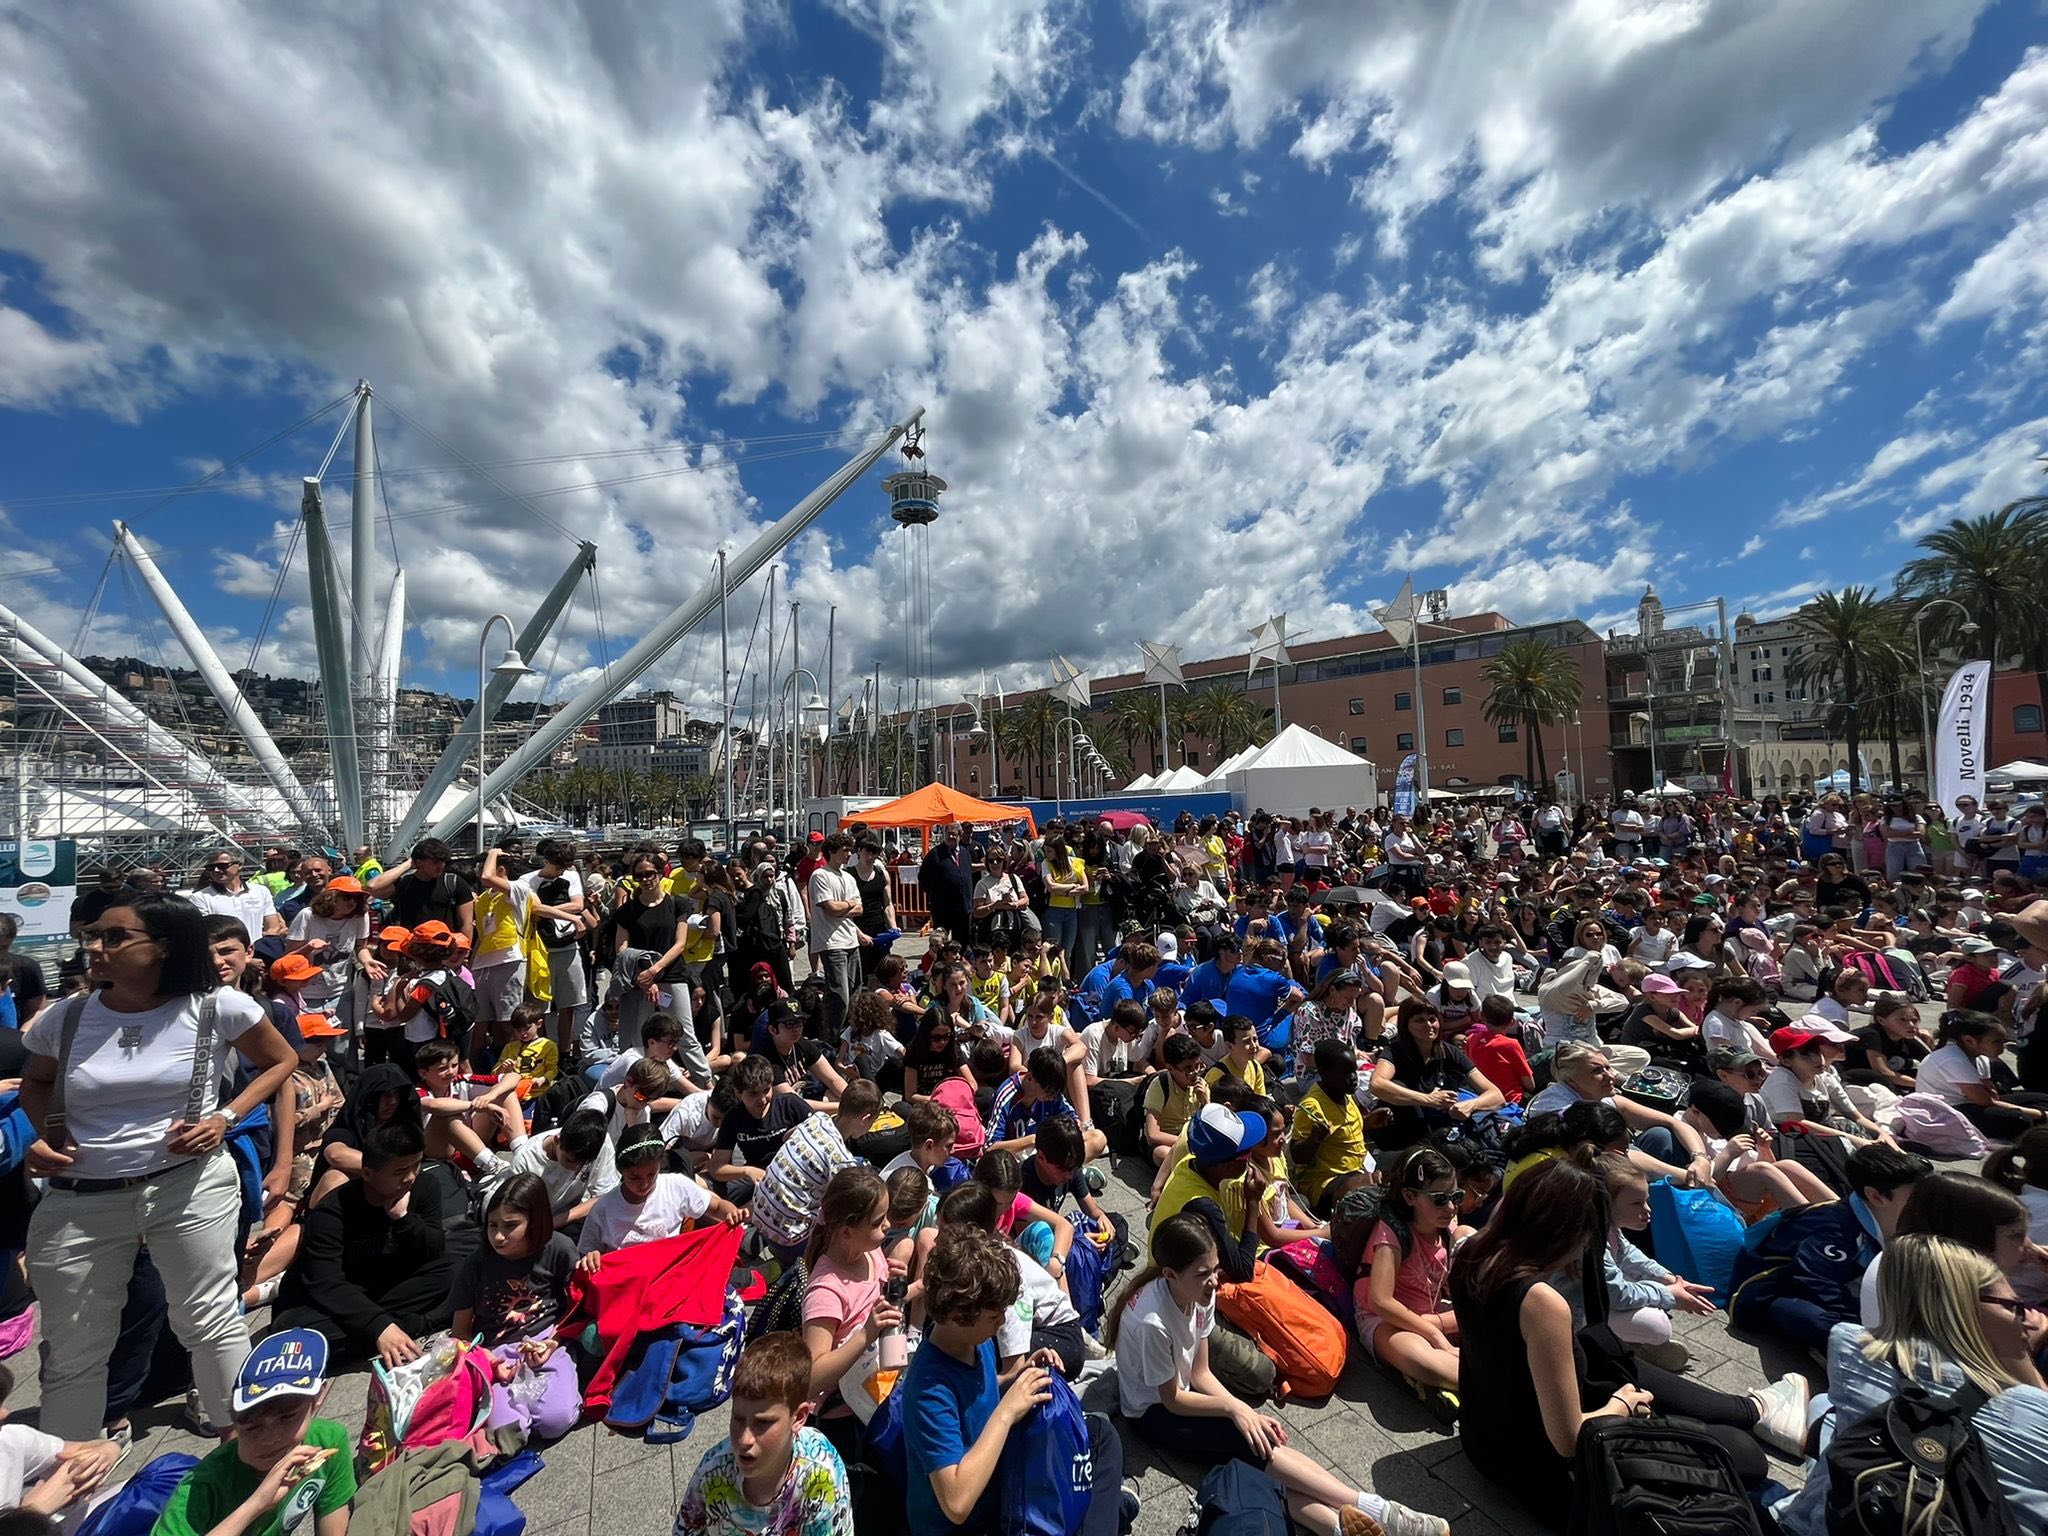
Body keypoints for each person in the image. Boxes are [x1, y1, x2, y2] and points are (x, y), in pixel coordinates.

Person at [21, 893, 296, 1441]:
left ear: (164, 946)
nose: (94, 947)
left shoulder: (216, 1006)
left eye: (114, 937)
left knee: (210, 1320)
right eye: (92, 935)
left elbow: (281, 1059)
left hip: (187, 1185)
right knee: (74, 1344)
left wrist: (224, 1116)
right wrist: (46, 1134)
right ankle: (64, 1474)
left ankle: (244, 1450)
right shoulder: (68, 1016)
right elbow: (37, 1082)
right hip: (81, 1197)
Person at [1450, 1158, 1803, 1531]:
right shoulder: (1541, 1303)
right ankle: (1757, 1417)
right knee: (1744, 1455)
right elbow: (1568, 1439)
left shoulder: (1473, 1253)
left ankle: (1753, 1411)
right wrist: (1622, 1405)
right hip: (1541, 1472)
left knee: (1618, 1363)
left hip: (1483, 1437)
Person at [1111, 1214, 1445, 1536]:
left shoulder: (1198, 1292)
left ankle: (1337, 1527)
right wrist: (1236, 1409)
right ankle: (1376, 1509)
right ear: (1170, 1274)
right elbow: (1172, 1399)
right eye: (1203, 1273)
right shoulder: (1152, 1323)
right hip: (1152, 1412)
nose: (1214, 1280)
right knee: (1251, 1444)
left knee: (1262, 1461)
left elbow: (1200, 1372)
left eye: (1215, 1268)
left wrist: (1246, 1413)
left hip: (1182, 1394)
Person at [1775, 1234, 2048, 1535]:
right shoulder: (2032, 1407)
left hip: (1826, 1523)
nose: (2026, 1319)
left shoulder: (1854, 1347)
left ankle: (1769, 1409)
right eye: (2015, 1307)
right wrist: (2023, 1360)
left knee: (1825, 1410)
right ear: (1965, 1310)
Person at [902, 1224, 1131, 1536]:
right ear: (958, 1316)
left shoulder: (972, 1342)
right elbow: (956, 1504)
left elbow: (977, 1396)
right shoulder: (929, 1389)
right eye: (994, 1316)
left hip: (1004, 1485)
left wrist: (1018, 1378)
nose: (1002, 1322)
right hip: (974, 1525)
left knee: (1102, 1436)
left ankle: (1104, 1510)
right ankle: (1105, 1510)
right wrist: (1006, 1412)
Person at [271, 1117, 456, 1364]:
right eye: (400, 1171)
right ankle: (411, 1326)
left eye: (416, 1165)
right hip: (334, 1298)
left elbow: (434, 1249)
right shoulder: (331, 1213)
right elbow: (325, 1283)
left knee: (453, 1268)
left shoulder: (424, 1187)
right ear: (367, 1173)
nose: (411, 1177)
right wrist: (378, 1325)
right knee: (290, 1328)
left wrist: (404, 1220)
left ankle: (384, 1332)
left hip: (384, 1288)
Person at [153, 1329, 355, 1536]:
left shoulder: (327, 1443)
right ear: (235, 1421)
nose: (271, 1438)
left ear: (318, 1396)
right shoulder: (202, 1488)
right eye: (253, 1428)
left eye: (287, 1418)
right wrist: (257, 1503)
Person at [676, 1332, 855, 1536]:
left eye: (762, 1423)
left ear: (798, 1418)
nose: (745, 1439)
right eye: (738, 1419)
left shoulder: (819, 1479)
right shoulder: (713, 1470)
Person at [449, 1174, 582, 1445]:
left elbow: (577, 1308)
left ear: (535, 1222)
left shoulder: (558, 1249)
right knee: (508, 1432)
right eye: (492, 1225)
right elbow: (460, 1332)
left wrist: (554, 1342)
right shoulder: (475, 1265)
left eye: (511, 1226)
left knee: (556, 1421)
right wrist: (488, 1362)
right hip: (496, 1352)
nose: (499, 1236)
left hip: (548, 1341)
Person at [1355, 1146, 1469, 1422]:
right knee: (1420, 1358)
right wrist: (1435, 1334)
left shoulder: (1448, 1230)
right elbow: (1381, 1302)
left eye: (1455, 1196)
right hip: (1386, 1320)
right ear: (1409, 1197)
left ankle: (1438, 1384)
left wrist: (1437, 1324)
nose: (1451, 1208)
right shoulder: (1390, 1236)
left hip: (1430, 1314)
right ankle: (1476, 1382)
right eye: (1439, 1199)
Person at [801, 1165, 899, 1464]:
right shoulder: (826, 1290)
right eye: (878, 1221)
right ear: (846, 1232)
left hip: (877, 1388)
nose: (888, 1225)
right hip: (843, 1415)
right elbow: (812, 1378)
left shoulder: (871, 1252)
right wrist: (867, 1332)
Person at [577, 1125, 739, 1260]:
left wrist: (732, 1214)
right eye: (634, 1177)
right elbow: (586, 1252)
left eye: (651, 1174)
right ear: (621, 1171)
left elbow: (717, 1207)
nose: (644, 1184)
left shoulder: (676, 1186)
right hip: (626, 1281)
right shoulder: (604, 1209)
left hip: (667, 1273)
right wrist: (592, 1258)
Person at [1367, 999, 1502, 1154]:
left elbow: (1496, 1095)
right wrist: (1428, 1099)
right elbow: (1377, 1084)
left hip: (1441, 1131)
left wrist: (1470, 1106)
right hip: (1402, 1135)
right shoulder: (1394, 1052)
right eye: (1419, 1020)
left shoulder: (1450, 1052)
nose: (1428, 1025)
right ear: (1406, 1025)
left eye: (1432, 1019)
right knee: (1399, 1086)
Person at [1918, 1008, 2048, 1141]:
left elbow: (1992, 1096)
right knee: (2020, 1120)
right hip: (1947, 1111)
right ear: (1969, 1040)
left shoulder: (1981, 1058)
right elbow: (1985, 1101)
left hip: (1972, 1104)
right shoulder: (1952, 1059)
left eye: (2003, 1041)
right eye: (1996, 1042)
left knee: (2042, 1099)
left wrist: (2022, 1109)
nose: (2003, 1047)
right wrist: (2040, 1114)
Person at [1290, 1039, 1371, 1216]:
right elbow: (1297, 1155)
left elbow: (1345, 1131)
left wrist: (1370, 1121)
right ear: (1324, 1072)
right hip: (1326, 1182)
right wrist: (1313, 1140)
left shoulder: (1344, 1094)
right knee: (1368, 1192)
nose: (1353, 1078)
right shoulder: (1312, 1107)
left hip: (1358, 1169)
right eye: (1345, 1073)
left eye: (1354, 1071)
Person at [807, 836, 864, 1044]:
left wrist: (843, 907)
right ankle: (831, 1040)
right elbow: (831, 908)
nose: (849, 854)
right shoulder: (820, 875)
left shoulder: (848, 877)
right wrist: (848, 904)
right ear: (832, 851)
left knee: (855, 992)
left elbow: (860, 909)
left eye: (850, 850)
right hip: (831, 942)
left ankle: (849, 1037)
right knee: (840, 996)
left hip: (851, 940)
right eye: (845, 850)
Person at [184, 850, 284, 938]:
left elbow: (273, 927)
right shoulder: (200, 897)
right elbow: (206, 932)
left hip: (258, 950)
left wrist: (262, 948)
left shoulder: (261, 892)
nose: (216, 870)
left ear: (239, 865)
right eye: (210, 868)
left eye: (222, 866)